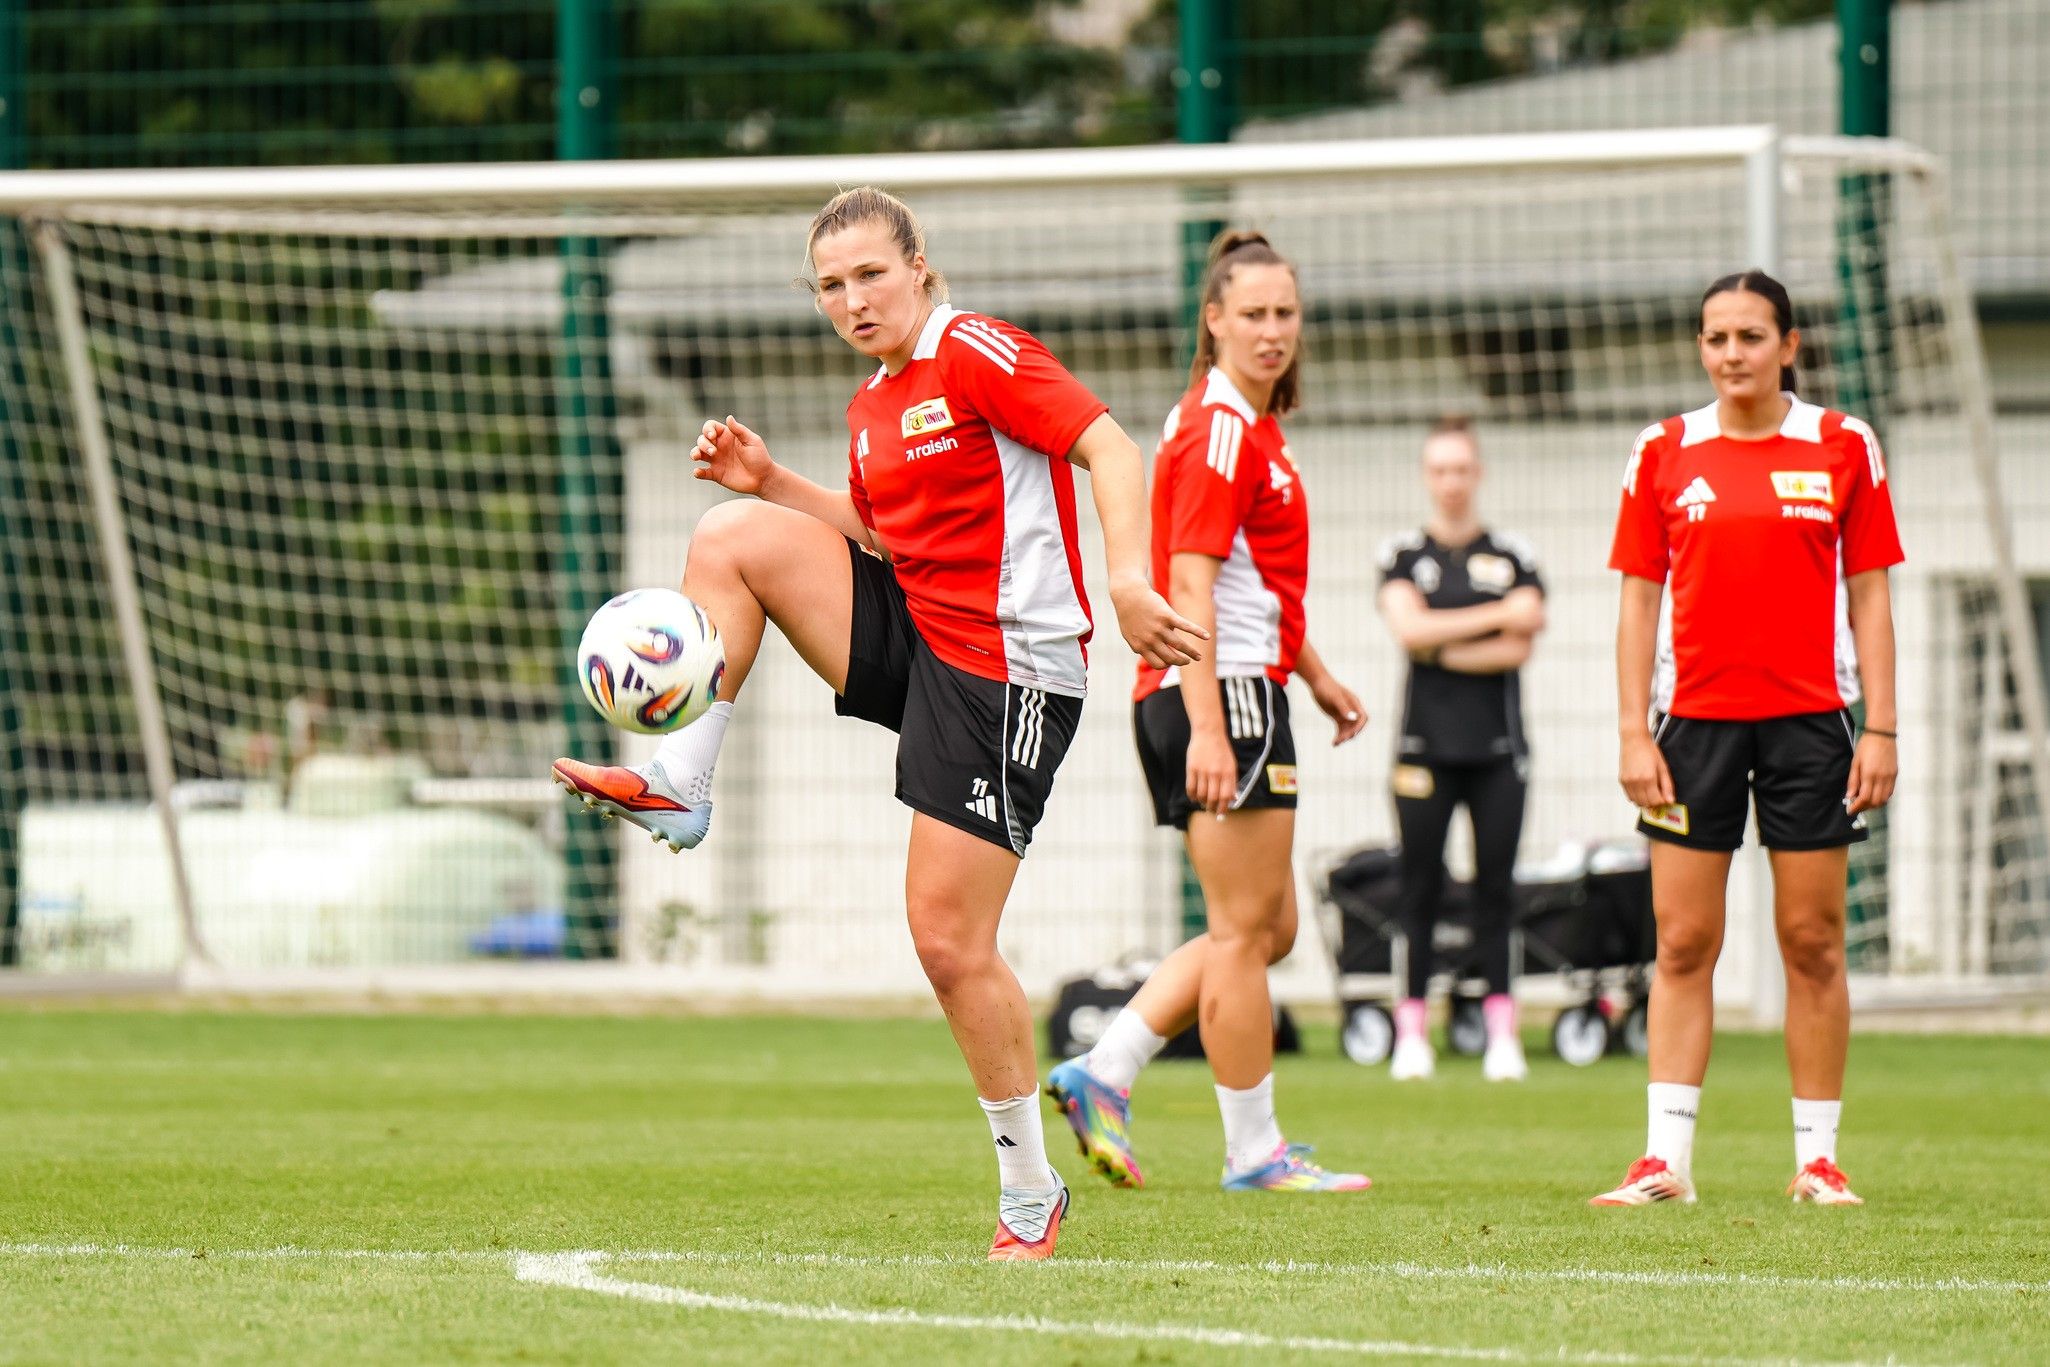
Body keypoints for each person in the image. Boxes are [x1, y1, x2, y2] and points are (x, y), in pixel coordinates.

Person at [550, 186, 1205, 1259]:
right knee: (730, 531)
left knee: (947, 940)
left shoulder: (978, 351)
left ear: (919, 268)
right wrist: (771, 480)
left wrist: (1129, 580)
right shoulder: (873, 404)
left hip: (1007, 671)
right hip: (920, 631)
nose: (852, 299)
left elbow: (1111, 446)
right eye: (830, 285)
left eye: (869, 274)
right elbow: (883, 537)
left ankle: (1029, 1189)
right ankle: (683, 780)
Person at [1043, 231, 1372, 1194]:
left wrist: (1310, 671)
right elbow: (1188, 580)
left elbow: (1249, 582)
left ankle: (1101, 1070)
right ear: (1215, 321)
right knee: (1242, 933)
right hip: (1215, 692)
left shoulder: (1250, 426)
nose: (1273, 331)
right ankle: (1252, 1151)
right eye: (1254, 314)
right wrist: (1215, 726)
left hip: (1240, 684)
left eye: (1286, 313)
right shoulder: (1221, 426)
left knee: (1265, 930)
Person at [1593, 269, 1902, 1207]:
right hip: (1691, 731)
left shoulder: (1845, 445)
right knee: (1684, 941)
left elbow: (1873, 592)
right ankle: (1664, 1162)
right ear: (1701, 347)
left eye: (1751, 337)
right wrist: (1631, 732)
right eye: (1717, 337)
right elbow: (1638, 599)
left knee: (1811, 941)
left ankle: (1817, 1160)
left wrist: (1880, 726)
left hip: (1814, 725)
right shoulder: (1662, 450)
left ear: (1789, 345)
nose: (1733, 354)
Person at [1375, 418, 1547, 1083]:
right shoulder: (1401, 554)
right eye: (1439, 469)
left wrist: (1439, 642)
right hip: (1423, 749)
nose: (1451, 482)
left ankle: (1502, 1030)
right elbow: (1406, 627)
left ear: (1478, 474)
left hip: (1500, 751)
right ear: (1427, 476)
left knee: (1495, 890)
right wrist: (1489, 617)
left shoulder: (1512, 555)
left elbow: (1523, 636)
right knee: (1418, 886)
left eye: (1461, 469)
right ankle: (1411, 1027)